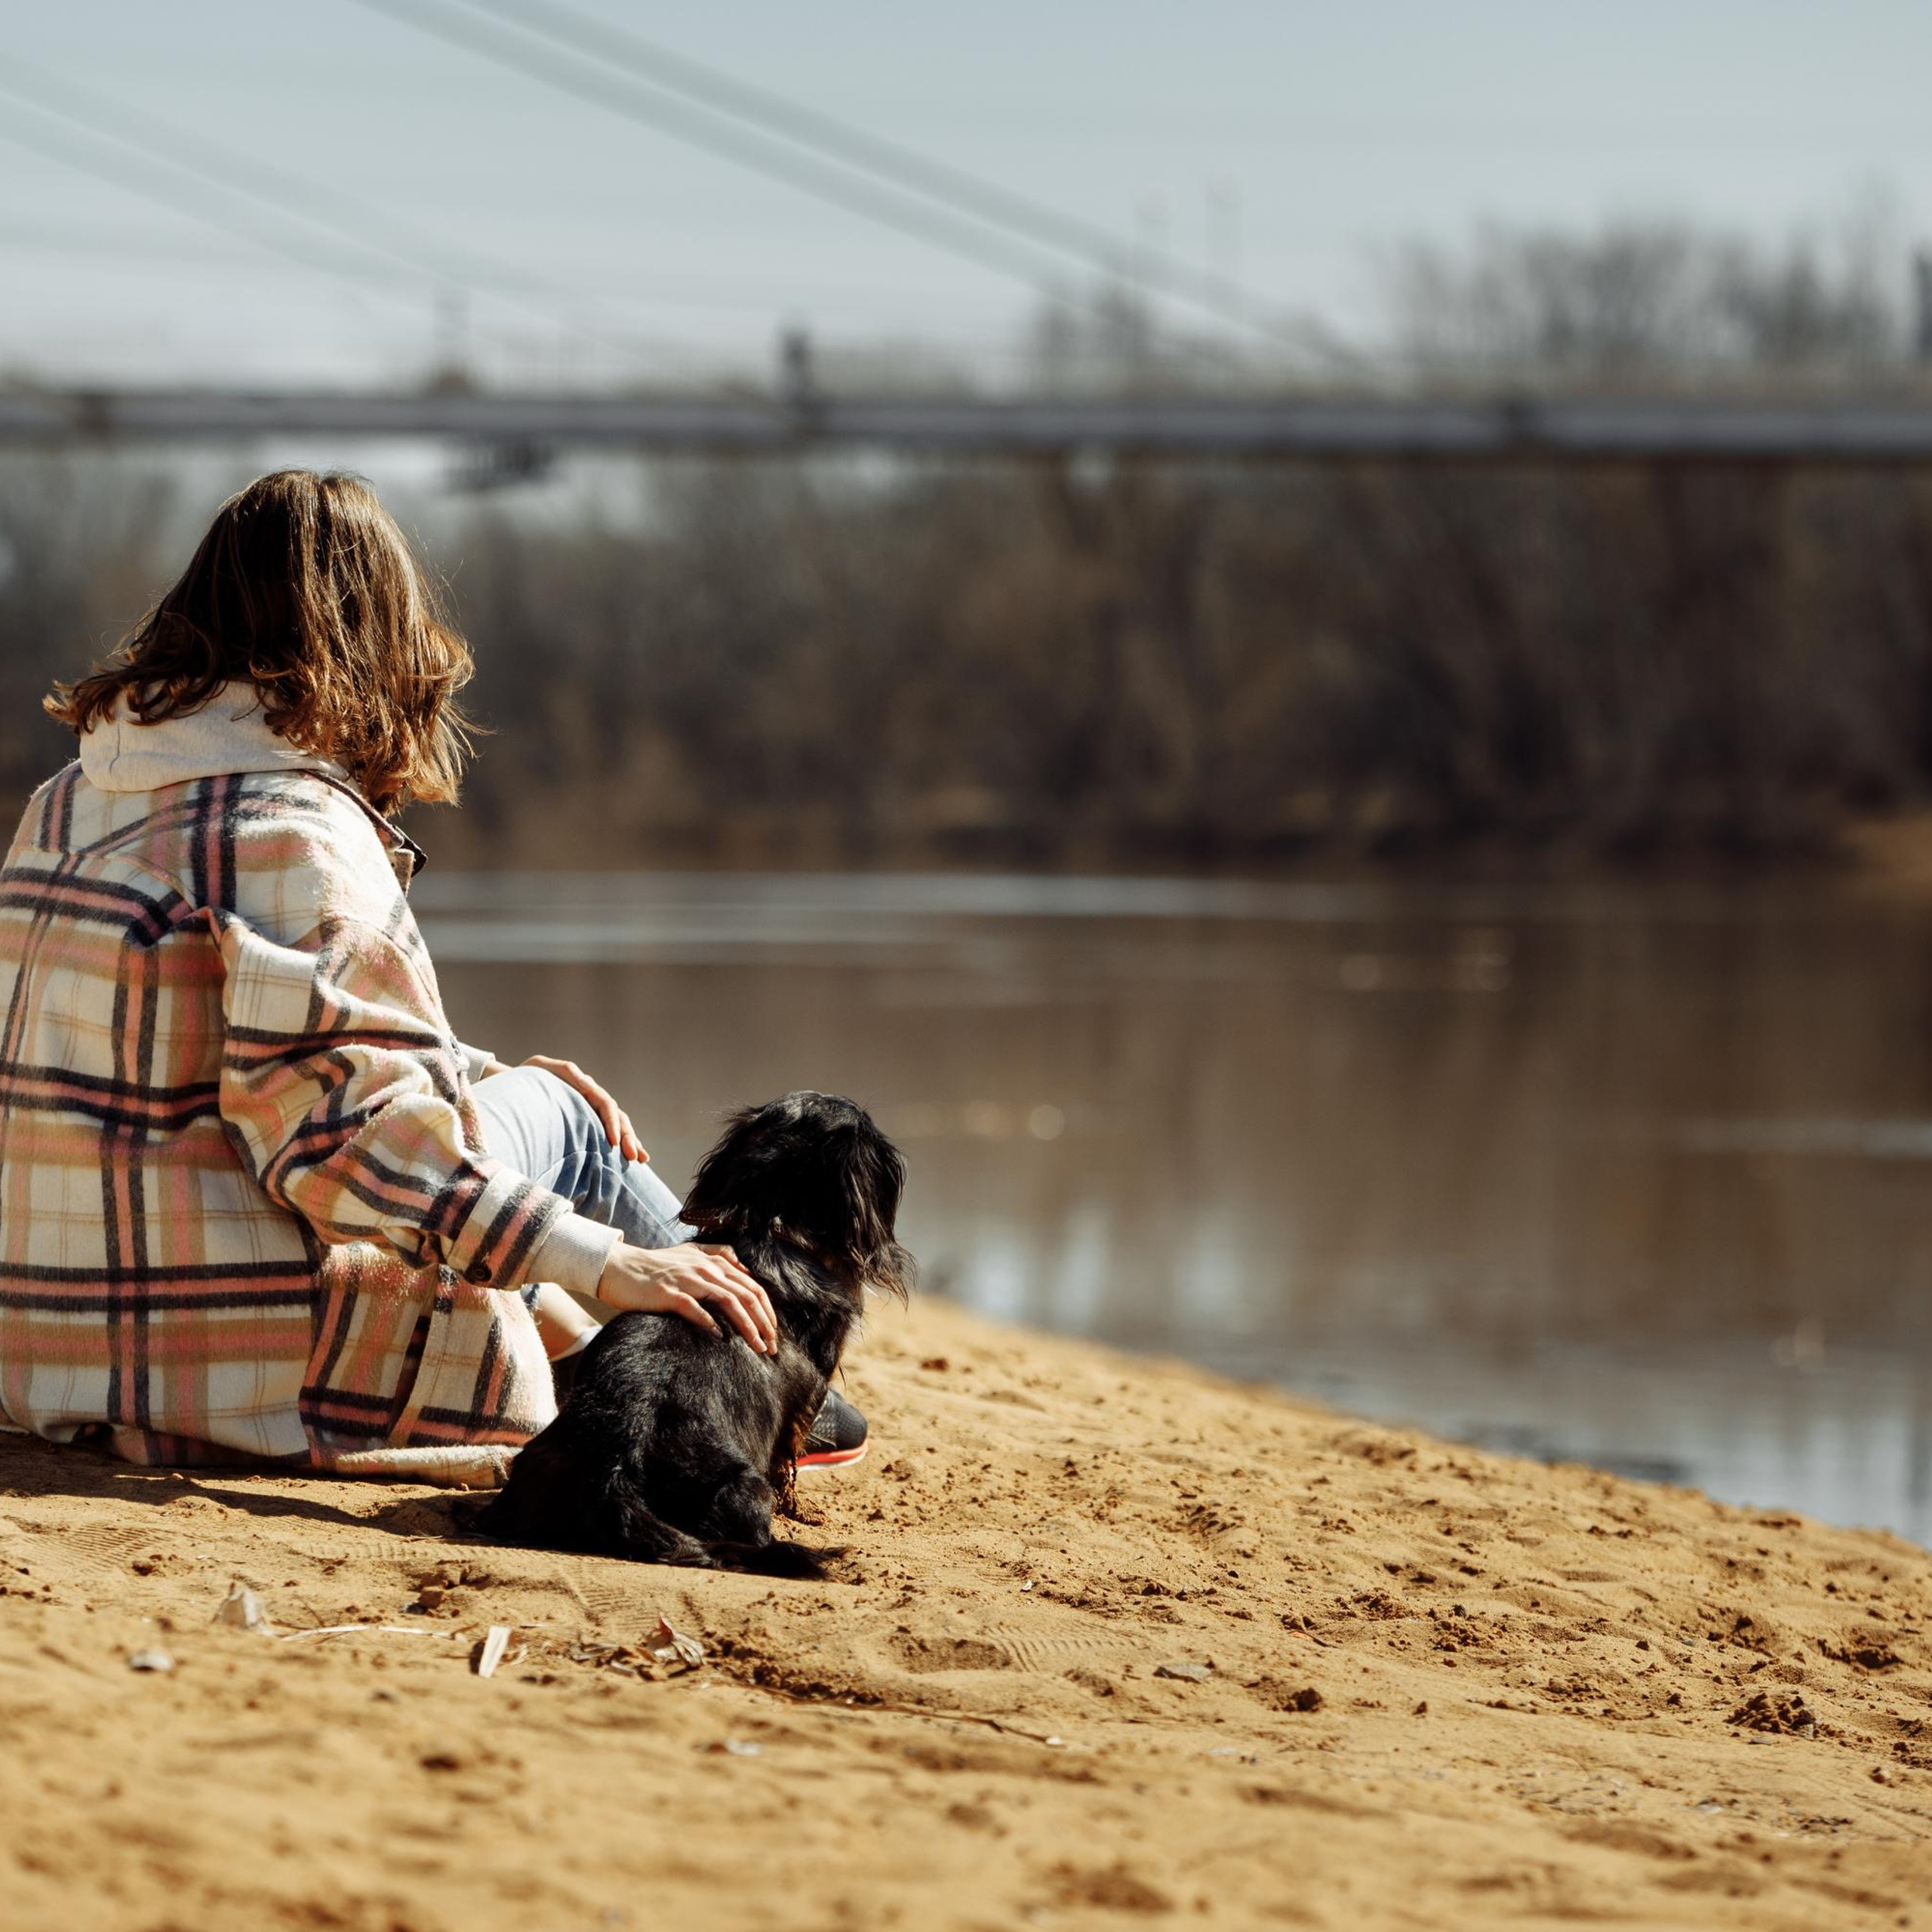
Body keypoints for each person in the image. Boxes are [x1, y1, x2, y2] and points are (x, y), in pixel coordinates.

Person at [0, 469, 866, 1485]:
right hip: (227, 1375)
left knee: (515, 1116)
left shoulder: (67, 802)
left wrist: (473, 1073)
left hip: (47, 1352)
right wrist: (613, 1260)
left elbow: (209, 1039)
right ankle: (738, 1373)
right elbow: (350, 1146)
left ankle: (606, 1351)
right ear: (374, 639)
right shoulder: (291, 834)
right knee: (571, 1126)